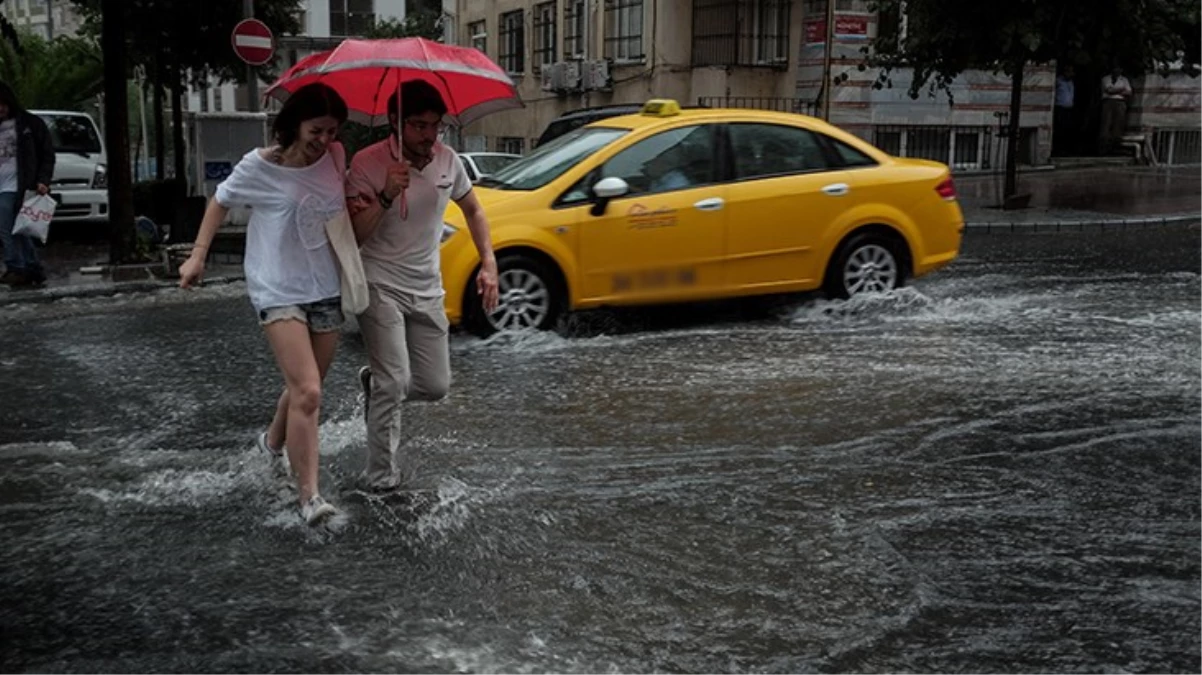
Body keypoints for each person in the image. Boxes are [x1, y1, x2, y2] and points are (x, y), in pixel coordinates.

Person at [178, 83, 350, 526]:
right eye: (317, 130)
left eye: (332, 131)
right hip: (277, 289)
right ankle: (310, 498)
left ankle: (271, 445)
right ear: (294, 123)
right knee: (309, 391)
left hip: (325, 286)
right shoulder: (261, 165)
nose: (325, 140)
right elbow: (219, 202)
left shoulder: (335, 158)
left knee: (302, 390)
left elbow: (334, 208)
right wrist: (198, 255)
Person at [346, 80, 499, 492]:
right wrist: (385, 195)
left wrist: (489, 262)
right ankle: (381, 480)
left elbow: (474, 210)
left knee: (434, 386)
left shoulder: (449, 161)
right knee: (395, 381)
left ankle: (376, 386)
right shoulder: (366, 163)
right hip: (378, 281)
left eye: (436, 126)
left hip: (427, 286)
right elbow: (354, 235)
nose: (429, 135)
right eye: (418, 125)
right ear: (396, 125)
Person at [0, 81, 54, 287]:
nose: (1, 109)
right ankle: (32, 267)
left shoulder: (29, 124)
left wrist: (43, 180)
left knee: (6, 228)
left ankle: (16, 267)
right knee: (19, 228)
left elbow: (47, 154)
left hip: (17, 185)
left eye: (3, 104)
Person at [1099, 66, 1132, 155]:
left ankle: (1115, 148)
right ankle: (1104, 148)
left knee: (1118, 124)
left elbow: (1128, 92)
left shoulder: (1124, 80)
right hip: (1108, 102)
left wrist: (1115, 90)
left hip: (1120, 102)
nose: (1118, 70)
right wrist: (1121, 90)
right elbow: (1108, 90)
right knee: (1106, 124)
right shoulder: (1106, 79)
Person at [1053, 65, 1076, 156]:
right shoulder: (1058, 81)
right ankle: (1058, 150)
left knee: (1067, 129)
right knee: (1060, 129)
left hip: (1069, 108)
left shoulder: (1071, 82)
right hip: (1060, 108)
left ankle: (1066, 149)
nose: (1071, 74)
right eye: (1069, 72)